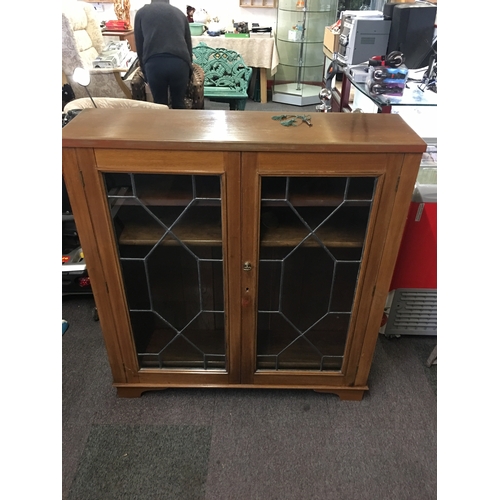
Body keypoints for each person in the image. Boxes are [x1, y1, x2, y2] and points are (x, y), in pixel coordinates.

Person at [134, 0, 193, 108]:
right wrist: (189, 71)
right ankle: (180, 125)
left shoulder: (141, 13)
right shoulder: (179, 13)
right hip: (180, 63)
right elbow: (188, 46)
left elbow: (139, 46)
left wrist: (145, 71)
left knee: (160, 105)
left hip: (154, 63)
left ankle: (161, 124)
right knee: (179, 104)